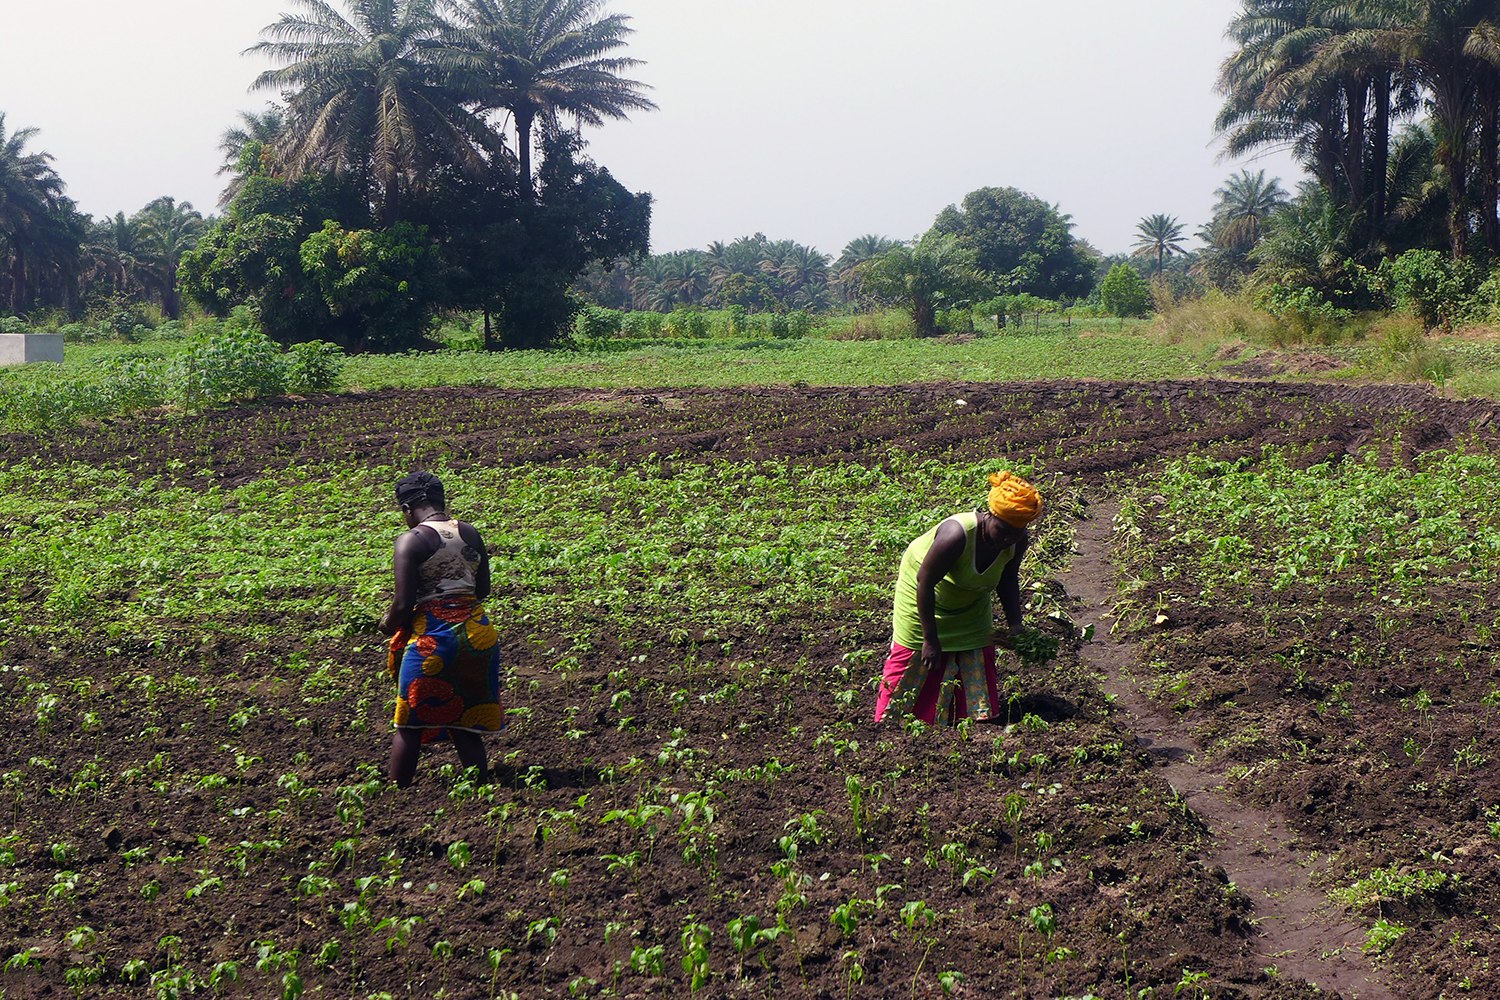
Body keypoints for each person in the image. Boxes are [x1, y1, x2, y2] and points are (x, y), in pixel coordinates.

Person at [874, 471, 1042, 726]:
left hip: (971, 598)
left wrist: (1015, 625)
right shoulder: (956, 536)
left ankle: (971, 721)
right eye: (1004, 530)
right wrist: (930, 639)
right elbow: (925, 583)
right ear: (991, 516)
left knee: (976, 653)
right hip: (925, 594)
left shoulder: (1017, 541)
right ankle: (892, 724)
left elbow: (1008, 581)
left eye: (1016, 533)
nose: (1008, 539)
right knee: (917, 658)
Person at [380, 471, 503, 787]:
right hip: (478, 635)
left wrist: (386, 625)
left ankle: (397, 793)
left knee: (409, 723)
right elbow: (483, 589)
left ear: (407, 508)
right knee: (466, 722)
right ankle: (479, 790)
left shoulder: (412, 540)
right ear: (441, 500)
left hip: (435, 640)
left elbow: (403, 604)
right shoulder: (470, 533)